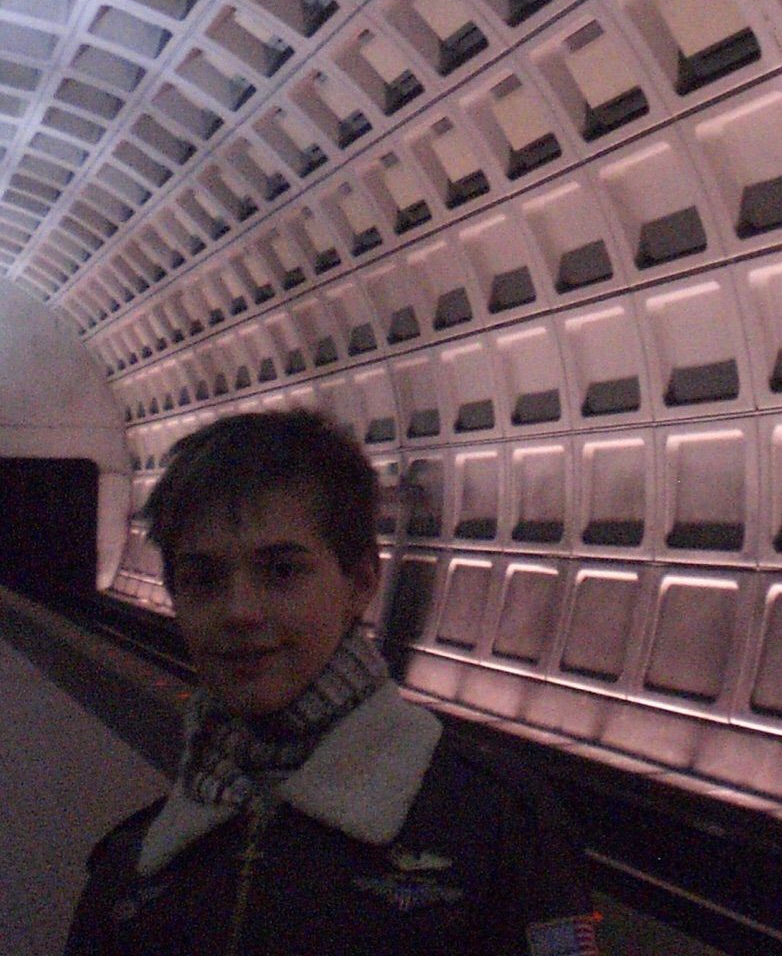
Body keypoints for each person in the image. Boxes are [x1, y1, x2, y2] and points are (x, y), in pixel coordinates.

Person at [63, 409, 602, 956]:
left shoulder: (502, 827)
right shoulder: (129, 873)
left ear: (361, 582)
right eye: (204, 578)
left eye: (281, 570)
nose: (239, 611)